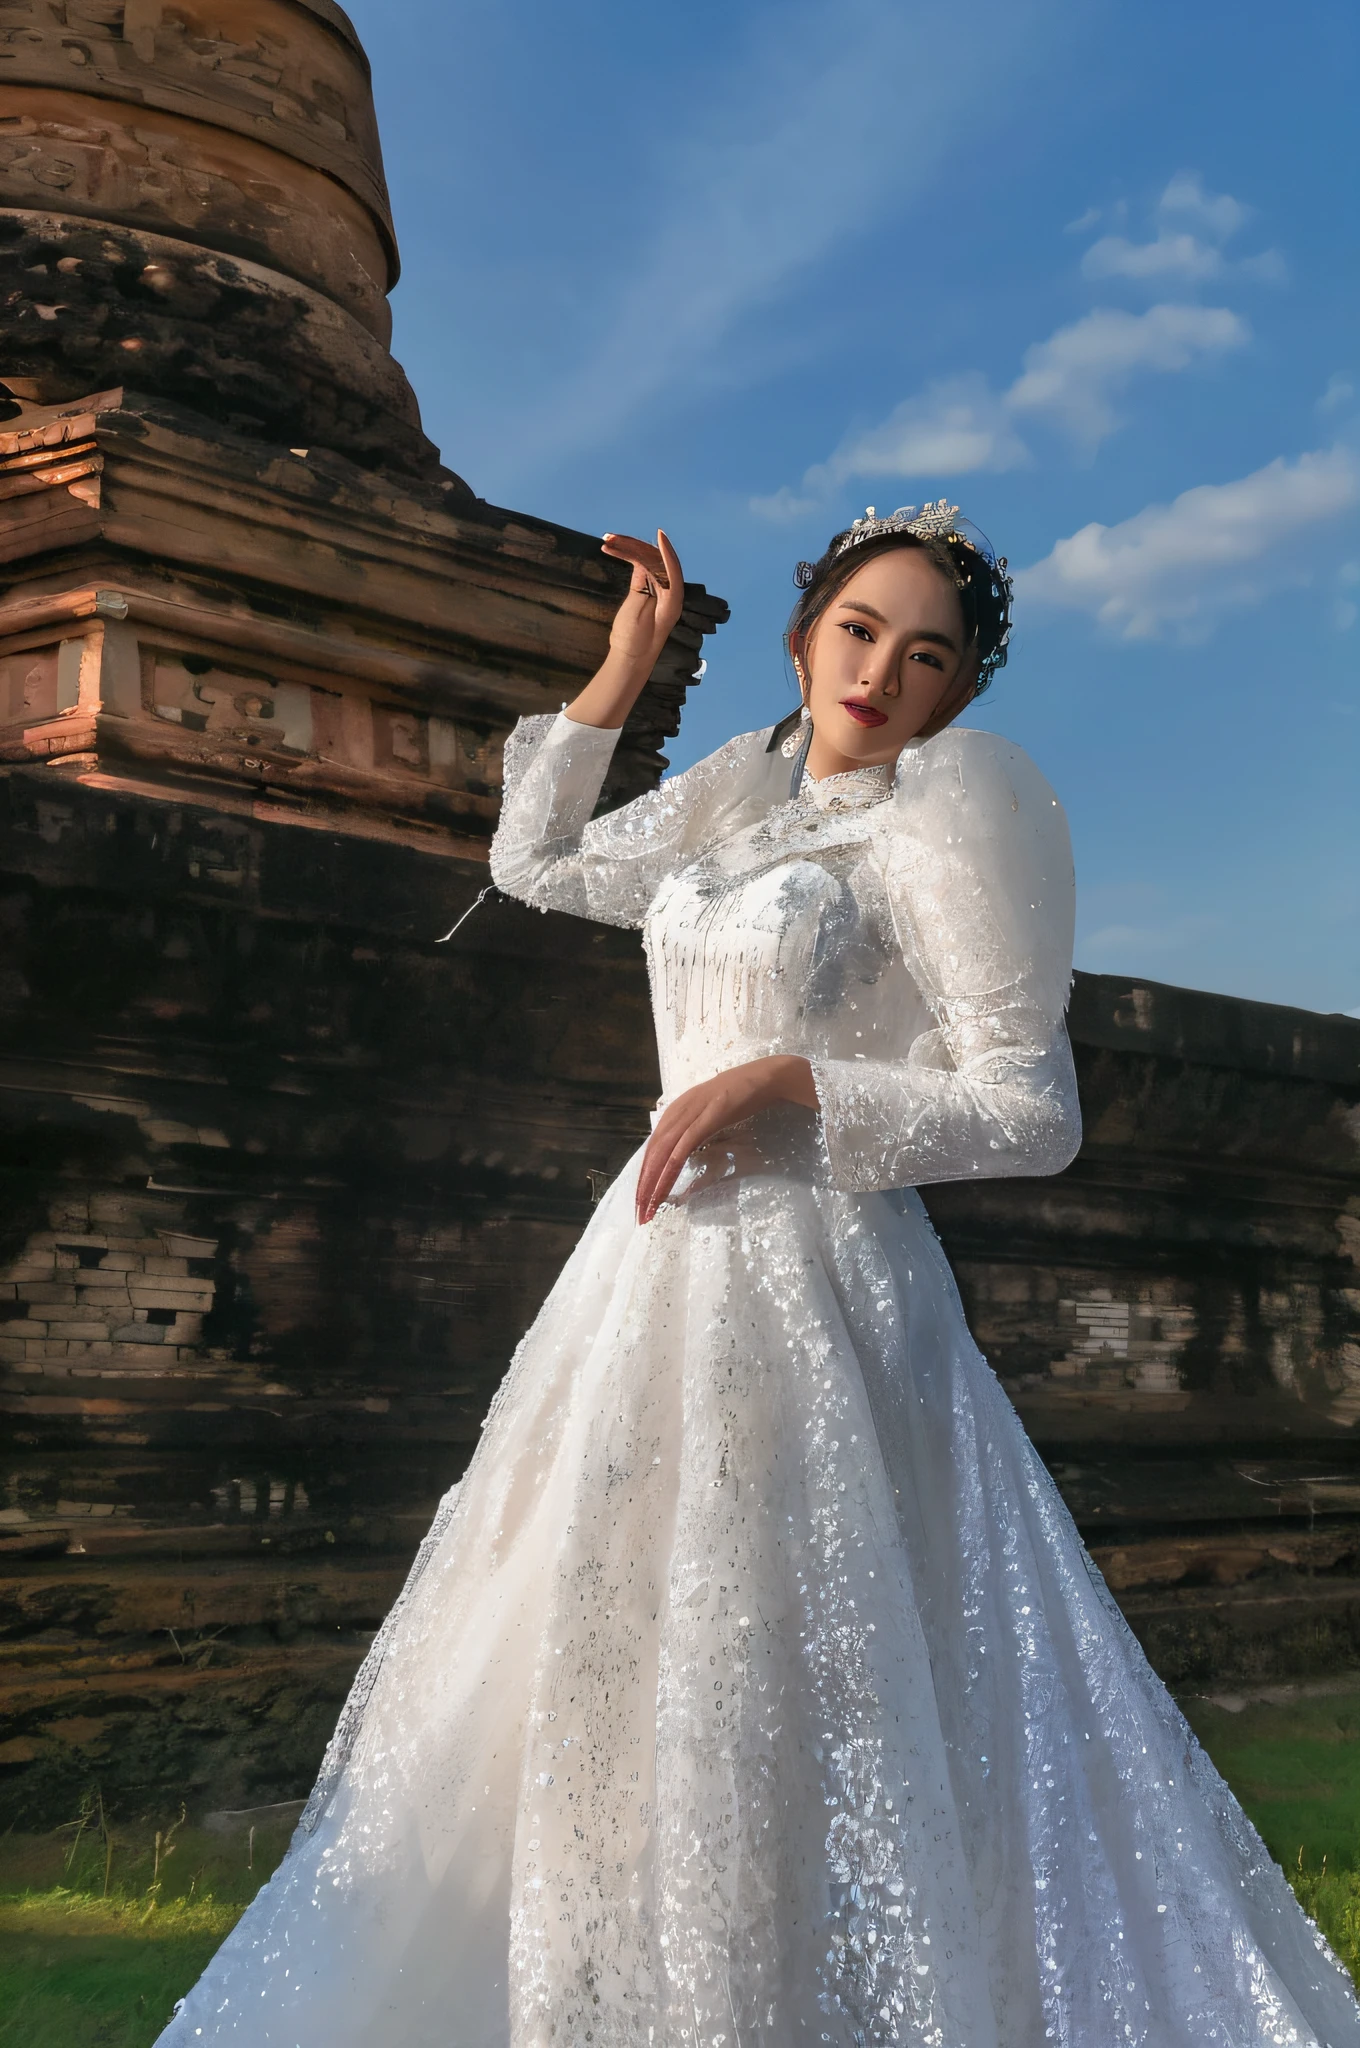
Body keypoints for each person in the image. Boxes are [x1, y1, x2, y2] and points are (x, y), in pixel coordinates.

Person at [159, 505, 1360, 2047]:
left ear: (955, 696)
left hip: (825, 1289)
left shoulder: (939, 825)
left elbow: (1032, 1111)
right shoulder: (734, 803)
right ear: (807, 638)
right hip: (651, 1276)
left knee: (806, 1668)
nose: (882, 675)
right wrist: (625, 666)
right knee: (605, 1641)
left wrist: (791, 1078)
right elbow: (533, 862)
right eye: (860, 633)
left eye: (927, 658)